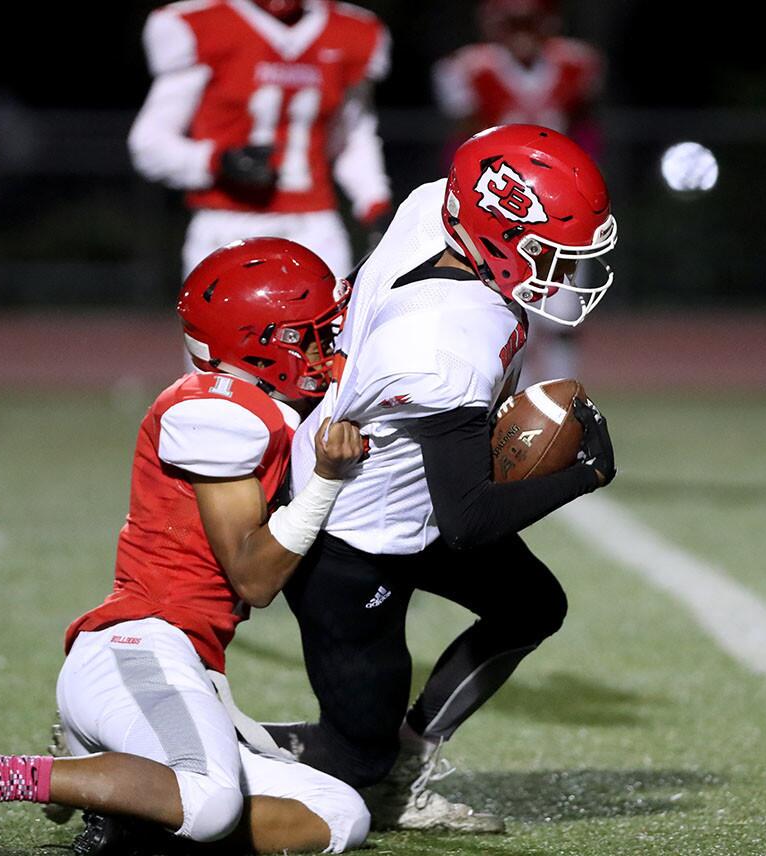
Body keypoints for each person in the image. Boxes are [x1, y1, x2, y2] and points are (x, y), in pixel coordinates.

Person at [0, 239, 370, 854]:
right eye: (309, 336)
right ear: (261, 343)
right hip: (137, 648)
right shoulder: (218, 411)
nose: (325, 350)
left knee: (338, 815)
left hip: (182, 665)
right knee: (210, 799)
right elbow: (253, 577)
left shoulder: (262, 408)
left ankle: (134, 816)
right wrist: (328, 481)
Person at [238, 124, 618, 834]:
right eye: (549, 255)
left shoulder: (437, 208)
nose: (563, 276)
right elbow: (471, 518)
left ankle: (409, 756)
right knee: (355, 770)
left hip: (409, 494)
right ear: (498, 234)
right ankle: (181, 748)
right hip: (353, 537)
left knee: (531, 605)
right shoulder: (445, 343)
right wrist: (586, 474)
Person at [128, 0, 393, 282]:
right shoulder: (205, 25)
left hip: (314, 225)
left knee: (329, 325)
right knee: (225, 326)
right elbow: (148, 144)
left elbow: (351, 138)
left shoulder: (349, 32)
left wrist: (375, 204)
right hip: (227, 223)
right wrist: (217, 161)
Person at [432, 0, 604, 386]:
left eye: (531, 22)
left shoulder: (575, 64)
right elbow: (462, 141)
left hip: (562, 205)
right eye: (514, 23)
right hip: (499, 211)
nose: (523, 34)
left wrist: (585, 182)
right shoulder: (471, 69)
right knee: (504, 313)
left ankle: (562, 401)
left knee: (563, 313)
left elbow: (588, 129)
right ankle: (513, 406)